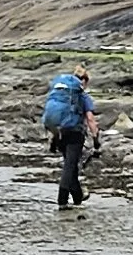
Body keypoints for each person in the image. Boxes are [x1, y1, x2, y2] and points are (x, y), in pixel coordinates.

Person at [41, 63, 99, 211]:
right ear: (84, 81)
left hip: (59, 133)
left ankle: (78, 198)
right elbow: (90, 119)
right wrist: (96, 138)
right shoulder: (83, 96)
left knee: (71, 167)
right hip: (75, 134)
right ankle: (62, 200)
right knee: (69, 167)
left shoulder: (60, 93)